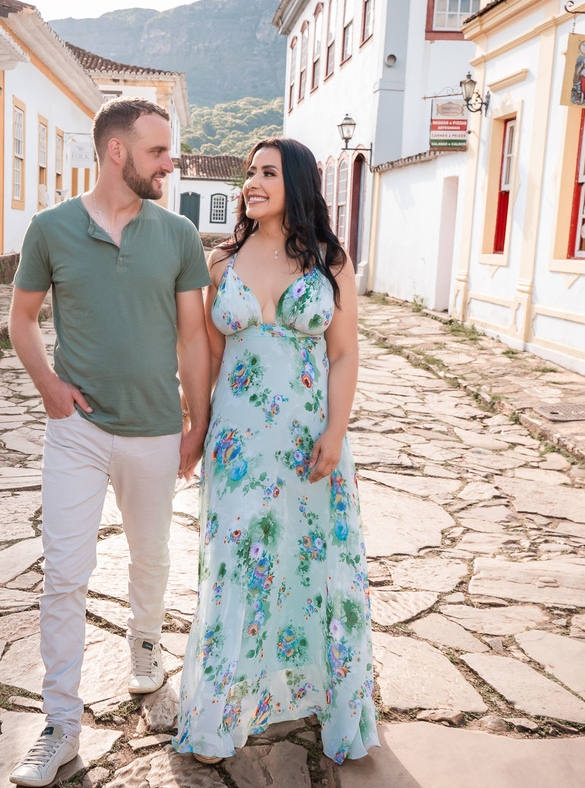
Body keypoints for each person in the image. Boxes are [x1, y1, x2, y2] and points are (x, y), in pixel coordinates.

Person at [7, 97, 212, 787]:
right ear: (117, 152)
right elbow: (23, 320)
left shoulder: (179, 234)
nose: (169, 163)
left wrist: (198, 422)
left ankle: (145, 646)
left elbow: (192, 336)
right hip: (78, 431)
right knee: (65, 573)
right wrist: (48, 387)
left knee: (151, 557)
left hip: (156, 429)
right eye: (159, 151)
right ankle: (60, 724)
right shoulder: (52, 230)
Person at [172, 138, 379, 765]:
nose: (252, 182)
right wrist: (198, 424)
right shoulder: (222, 261)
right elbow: (207, 350)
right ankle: (221, 707)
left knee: (309, 559)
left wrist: (336, 433)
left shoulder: (328, 262)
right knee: (239, 560)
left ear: (296, 180)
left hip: (309, 438)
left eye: (267, 172)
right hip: (238, 443)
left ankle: (322, 696)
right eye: (248, 173)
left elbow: (343, 353)